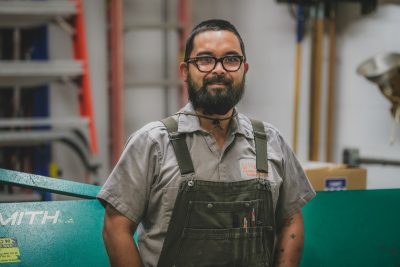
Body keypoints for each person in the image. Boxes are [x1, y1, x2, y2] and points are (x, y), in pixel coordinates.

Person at [98, 19, 316, 267]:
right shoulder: (152, 143)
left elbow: (290, 221)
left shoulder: (270, 141)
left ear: (244, 69)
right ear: (184, 71)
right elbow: (116, 227)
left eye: (231, 59)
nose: (219, 69)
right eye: (205, 59)